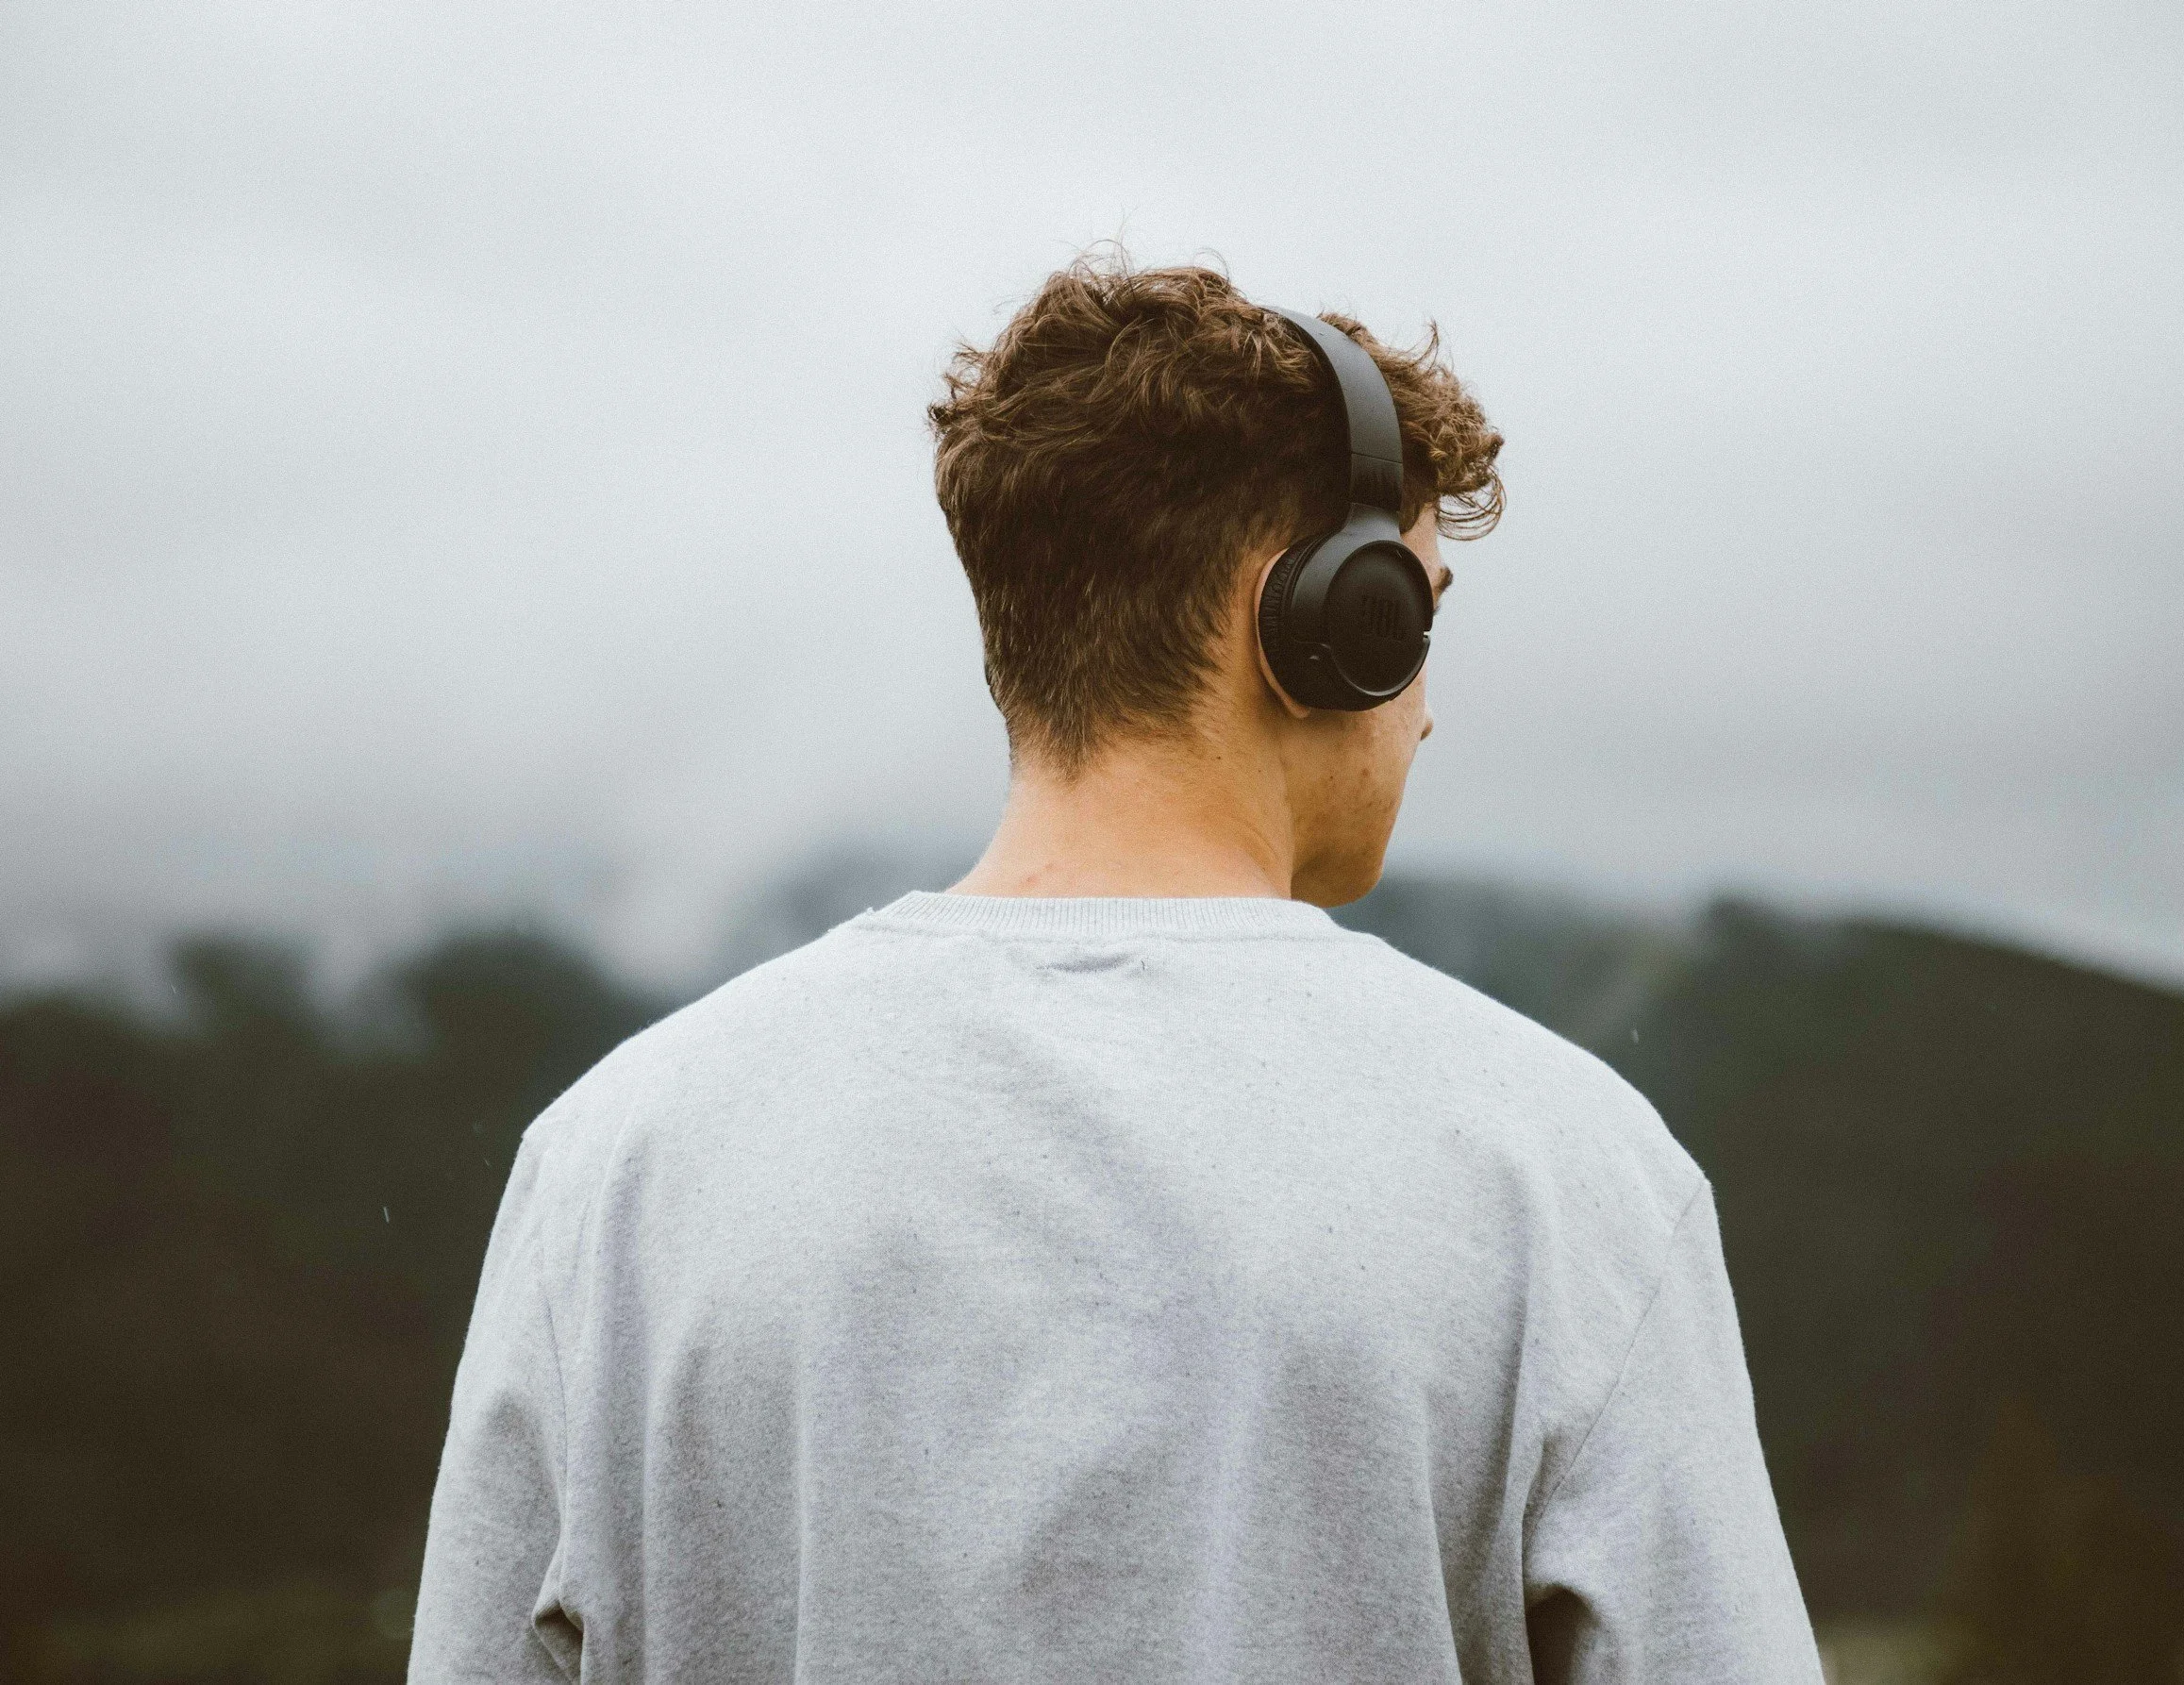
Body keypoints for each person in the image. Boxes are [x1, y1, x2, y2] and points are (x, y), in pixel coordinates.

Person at [408, 255, 1821, 1683]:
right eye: (1420, 620)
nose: (1428, 715)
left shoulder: (612, 1166)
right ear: (1324, 628)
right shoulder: (1568, 1179)